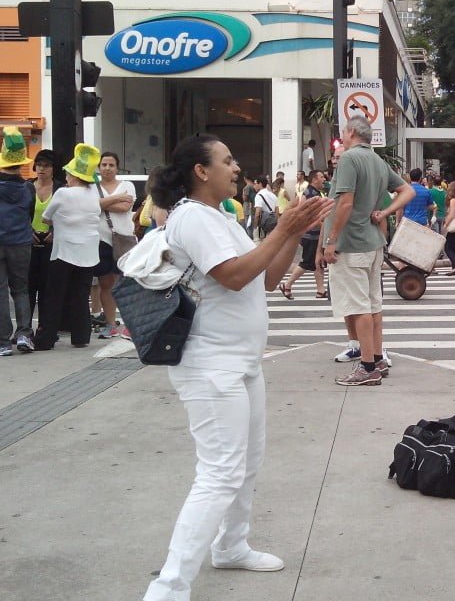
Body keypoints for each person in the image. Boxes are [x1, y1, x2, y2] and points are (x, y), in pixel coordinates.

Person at [142, 134, 333, 601]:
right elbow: (232, 276)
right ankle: (168, 588)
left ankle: (231, 546)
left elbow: (264, 277)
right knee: (220, 472)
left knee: (245, 464)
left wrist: (293, 232)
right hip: (211, 365)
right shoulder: (192, 217)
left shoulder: (222, 217)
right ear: (200, 171)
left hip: (241, 361)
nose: (236, 166)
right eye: (226, 160)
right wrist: (283, 228)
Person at [322, 116, 414, 387]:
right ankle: (376, 358)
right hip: (373, 242)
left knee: (359, 305)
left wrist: (331, 239)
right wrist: (384, 212)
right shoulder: (377, 161)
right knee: (373, 305)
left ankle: (367, 367)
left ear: (351, 132)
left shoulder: (350, 159)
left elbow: (346, 203)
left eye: (343, 132)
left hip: (351, 244)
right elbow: (406, 190)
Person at [34, 144, 102, 352]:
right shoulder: (93, 193)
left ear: (74, 175)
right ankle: (81, 336)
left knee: (54, 296)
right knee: (80, 296)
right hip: (89, 252)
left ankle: (46, 338)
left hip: (64, 252)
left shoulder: (63, 194)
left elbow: (46, 218)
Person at [0, 127, 35, 356]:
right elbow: (30, 215)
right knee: (21, 289)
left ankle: (3, 342)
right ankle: (24, 334)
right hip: (21, 242)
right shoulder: (28, 188)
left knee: (0, 292)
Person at [95, 151, 136, 339]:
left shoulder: (127, 185)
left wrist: (102, 203)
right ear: (98, 167)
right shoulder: (93, 186)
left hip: (125, 238)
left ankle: (130, 325)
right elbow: (92, 206)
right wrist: (116, 199)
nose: (107, 168)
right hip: (101, 239)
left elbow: (125, 207)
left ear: (117, 167)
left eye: (111, 165)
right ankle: (111, 325)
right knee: (106, 282)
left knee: (127, 283)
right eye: (104, 165)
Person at [279, 170, 329, 299]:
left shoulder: (315, 192)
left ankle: (320, 290)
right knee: (308, 262)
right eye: (321, 176)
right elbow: (307, 215)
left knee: (317, 261)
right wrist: (324, 226)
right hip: (311, 234)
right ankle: (287, 285)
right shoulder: (310, 194)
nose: (324, 178)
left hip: (315, 233)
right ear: (314, 180)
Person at [27, 149, 57, 333]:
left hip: (52, 243)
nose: (41, 169)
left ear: (53, 168)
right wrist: (26, 231)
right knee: (28, 288)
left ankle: (44, 328)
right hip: (28, 242)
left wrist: (55, 231)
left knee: (47, 289)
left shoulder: (60, 188)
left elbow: (65, 214)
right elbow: (20, 213)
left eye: (46, 165)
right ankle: (24, 328)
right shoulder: (27, 187)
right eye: (38, 165)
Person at [440, 180, 455, 275]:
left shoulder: (453, 200)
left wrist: (445, 224)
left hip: (453, 225)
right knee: (452, 246)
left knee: (447, 247)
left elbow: (452, 214)